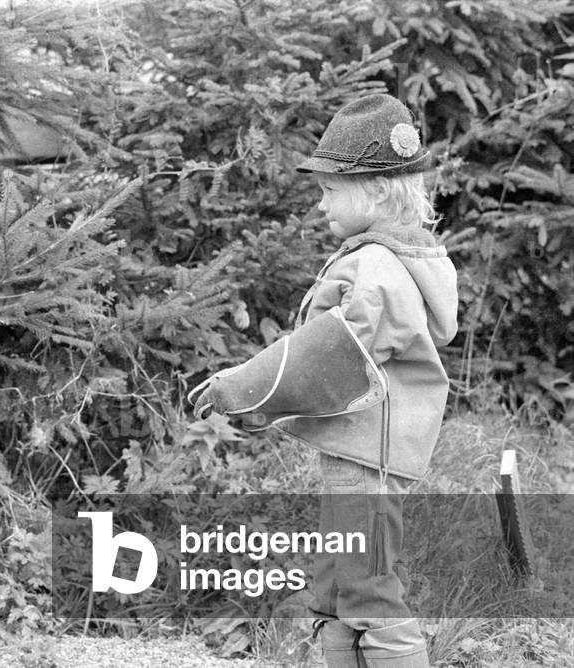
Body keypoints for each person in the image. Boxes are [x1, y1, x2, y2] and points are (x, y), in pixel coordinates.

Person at [188, 93, 458, 667]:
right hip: (357, 451)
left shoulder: (379, 267)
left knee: (370, 590)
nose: (321, 204)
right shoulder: (380, 257)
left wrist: (243, 387)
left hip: (369, 457)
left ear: (378, 190)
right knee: (336, 584)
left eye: (332, 190)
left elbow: (332, 352)